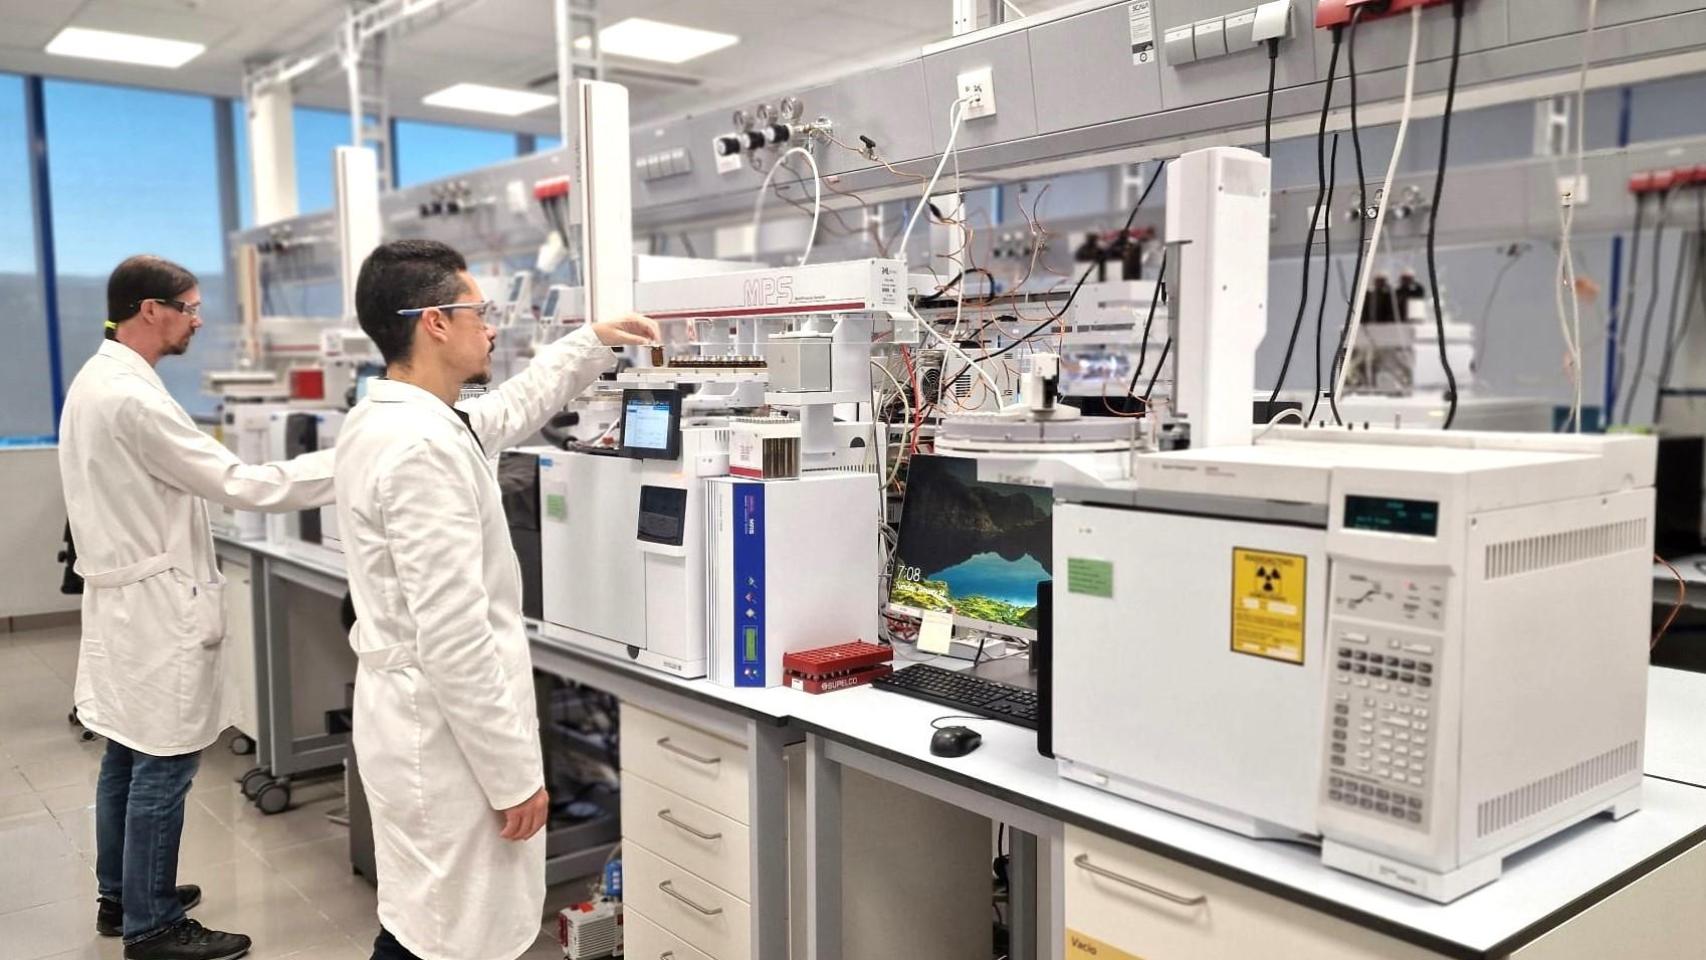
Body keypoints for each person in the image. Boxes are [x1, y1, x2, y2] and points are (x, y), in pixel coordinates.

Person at [335, 239, 658, 960]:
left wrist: (589, 343)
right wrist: (513, 777)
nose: (490, 327)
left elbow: (508, 409)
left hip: (416, 721)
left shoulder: (402, 418)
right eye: (478, 312)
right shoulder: (420, 448)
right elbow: (454, 635)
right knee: (449, 938)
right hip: (444, 740)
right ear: (434, 323)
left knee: (425, 921)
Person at [59, 255, 340, 960]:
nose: (199, 319)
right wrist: (350, 460)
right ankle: (153, 926)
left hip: (125, 603)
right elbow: (240, 483)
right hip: (153, 609)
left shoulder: (99, 378)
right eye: (189, 307)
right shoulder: (134, 399)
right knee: (166, 765)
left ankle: (122, 896)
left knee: (127, 753)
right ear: (150, 310)